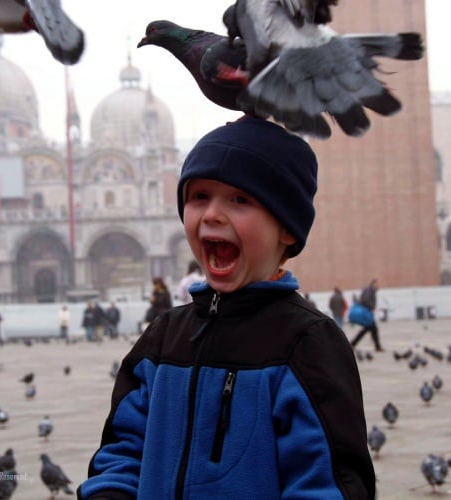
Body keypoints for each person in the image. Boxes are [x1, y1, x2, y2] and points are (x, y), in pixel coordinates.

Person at [78, 117, 375, 499]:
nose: (213, 214)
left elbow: (328, 483)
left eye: (240, 199)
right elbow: (122, 452)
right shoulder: (163, 338)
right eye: (199, 196)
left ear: (286, 228)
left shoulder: (306, 343)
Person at [350, 279, 383, 351]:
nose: (379, 286)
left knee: (368, 330)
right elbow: (365, 300)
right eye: (378, 284)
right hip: (366, 313)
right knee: (371, 329)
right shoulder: (370, 290)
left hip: (367, 313)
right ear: (374, 283)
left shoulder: (371, 290)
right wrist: (371, 308)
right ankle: (377, 347)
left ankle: (352, 344)